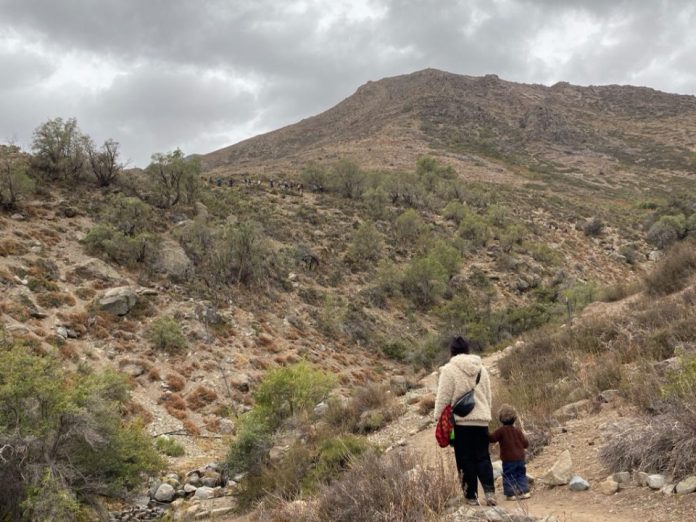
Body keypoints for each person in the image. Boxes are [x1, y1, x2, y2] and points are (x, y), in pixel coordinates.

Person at [434, 336, 496, 506]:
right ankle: (490, 493)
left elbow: (443, 398)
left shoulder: (448, 370)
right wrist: (485, 414)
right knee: (483, 457)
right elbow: (488, 396)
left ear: (452, 352)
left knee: (465, 459)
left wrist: (438, 418)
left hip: (461, 423)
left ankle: (471, 497)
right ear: (468, 350)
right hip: (482, 421)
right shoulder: (481, 369)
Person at [489, 404, 530, 500]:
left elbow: (492, 439)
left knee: (509, 475)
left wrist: (485, 433)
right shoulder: (518, 431)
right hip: (520, 458)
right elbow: (525, 444)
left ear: (500, 419)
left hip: (508, 459)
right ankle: (524, 492)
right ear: (514, 418)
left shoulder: (501, 431)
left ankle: (511, 494)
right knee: (521, 474)